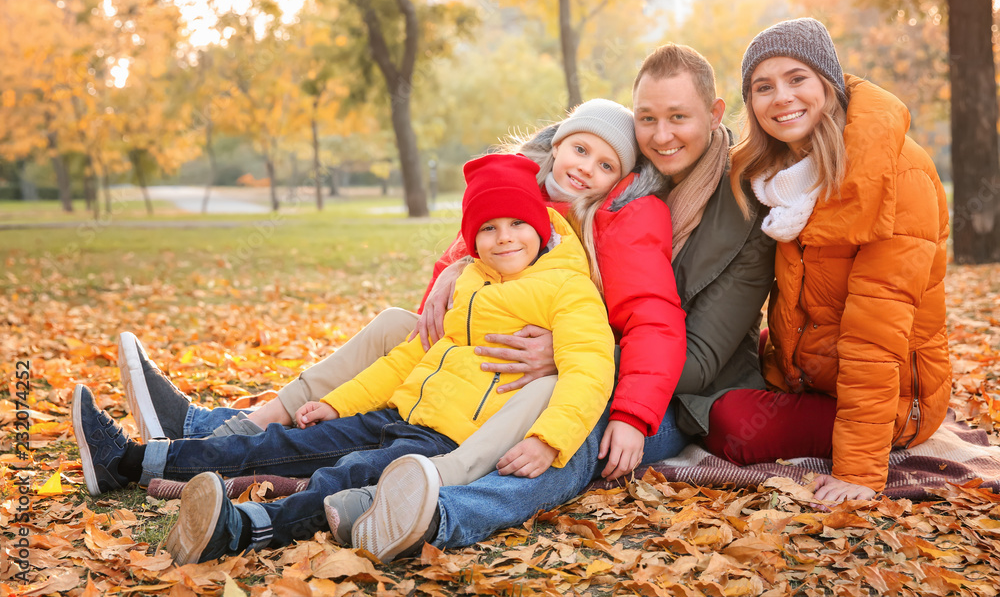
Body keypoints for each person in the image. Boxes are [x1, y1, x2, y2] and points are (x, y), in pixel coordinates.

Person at [334, 44, 778, 561]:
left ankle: (438, 514)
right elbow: (506, 249)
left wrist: (571, 353)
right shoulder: (615, 181)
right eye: (648, 118)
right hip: (580, 356)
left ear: (715, 113)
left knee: (573, 430)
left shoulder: (745, 209)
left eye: (679, 118)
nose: (662, 135)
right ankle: (287, 440)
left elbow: (697, 360)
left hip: (682, 396)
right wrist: (454, 269)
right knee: (420, 361)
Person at [72, 152, 617, 565]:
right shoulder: (470, 279)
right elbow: (407, 359)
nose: (504, 238)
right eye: (488, 228)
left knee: (346, 477)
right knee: (287, 443)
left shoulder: (566, 290)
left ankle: (242, 528)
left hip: (446, 440)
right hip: (397, 414)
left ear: (541, 226)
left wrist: (550, 439)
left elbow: (590, 369)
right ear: (471, 239)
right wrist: (338, 403)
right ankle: (132, 462)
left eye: (517, 224)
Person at [121, 99, 689, 488]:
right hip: (467, 349)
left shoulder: (607, 221)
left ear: (621, 178)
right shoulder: (517, 194)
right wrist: (456, 264)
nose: (586, 168)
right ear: (558, 146)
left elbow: (630, 319)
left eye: (606, 163)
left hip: (531, 368)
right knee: (398, 323)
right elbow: (443, 304)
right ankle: (242, 422)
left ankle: (214, 430)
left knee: (405, 338)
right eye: (580, 150)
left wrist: (612, 395)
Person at [700, 17, 951, 503]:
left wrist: (859, 471)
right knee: (725, 353)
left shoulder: (894, 172)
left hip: (900, 400)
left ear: (829, 84)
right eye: (763, 86)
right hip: (819, 371)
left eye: (798, 78)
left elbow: (876, 334)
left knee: (730, 425)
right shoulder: (779, 178)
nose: (781, 97)